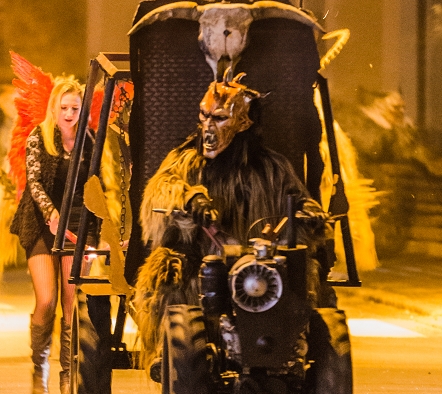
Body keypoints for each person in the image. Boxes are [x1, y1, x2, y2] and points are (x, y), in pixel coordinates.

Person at [135, 70, 334, 364]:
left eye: (219, 118)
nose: (208, 126)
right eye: (204, 116)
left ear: (243, 123)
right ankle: (169, 352)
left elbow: (297, 201)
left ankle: (294, 343)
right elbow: (158, 191)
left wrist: (310, 216)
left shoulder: (273, 169)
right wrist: (189, 199)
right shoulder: (185, 161)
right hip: (199, 261)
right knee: (165, 271)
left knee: (303, 271)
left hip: (259, 265)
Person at [9, 76, 94, 394]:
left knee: (72, 305)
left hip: (76, 223)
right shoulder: (38, 137)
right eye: (64, 107)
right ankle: (38, 363)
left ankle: (68, 374)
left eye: (75, 108)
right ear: (54, 109)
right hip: (41, 221)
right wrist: (51, 214)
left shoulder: (89, 140)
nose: (69, 114)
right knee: (46, 300)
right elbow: (34, 183)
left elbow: (97, 184)